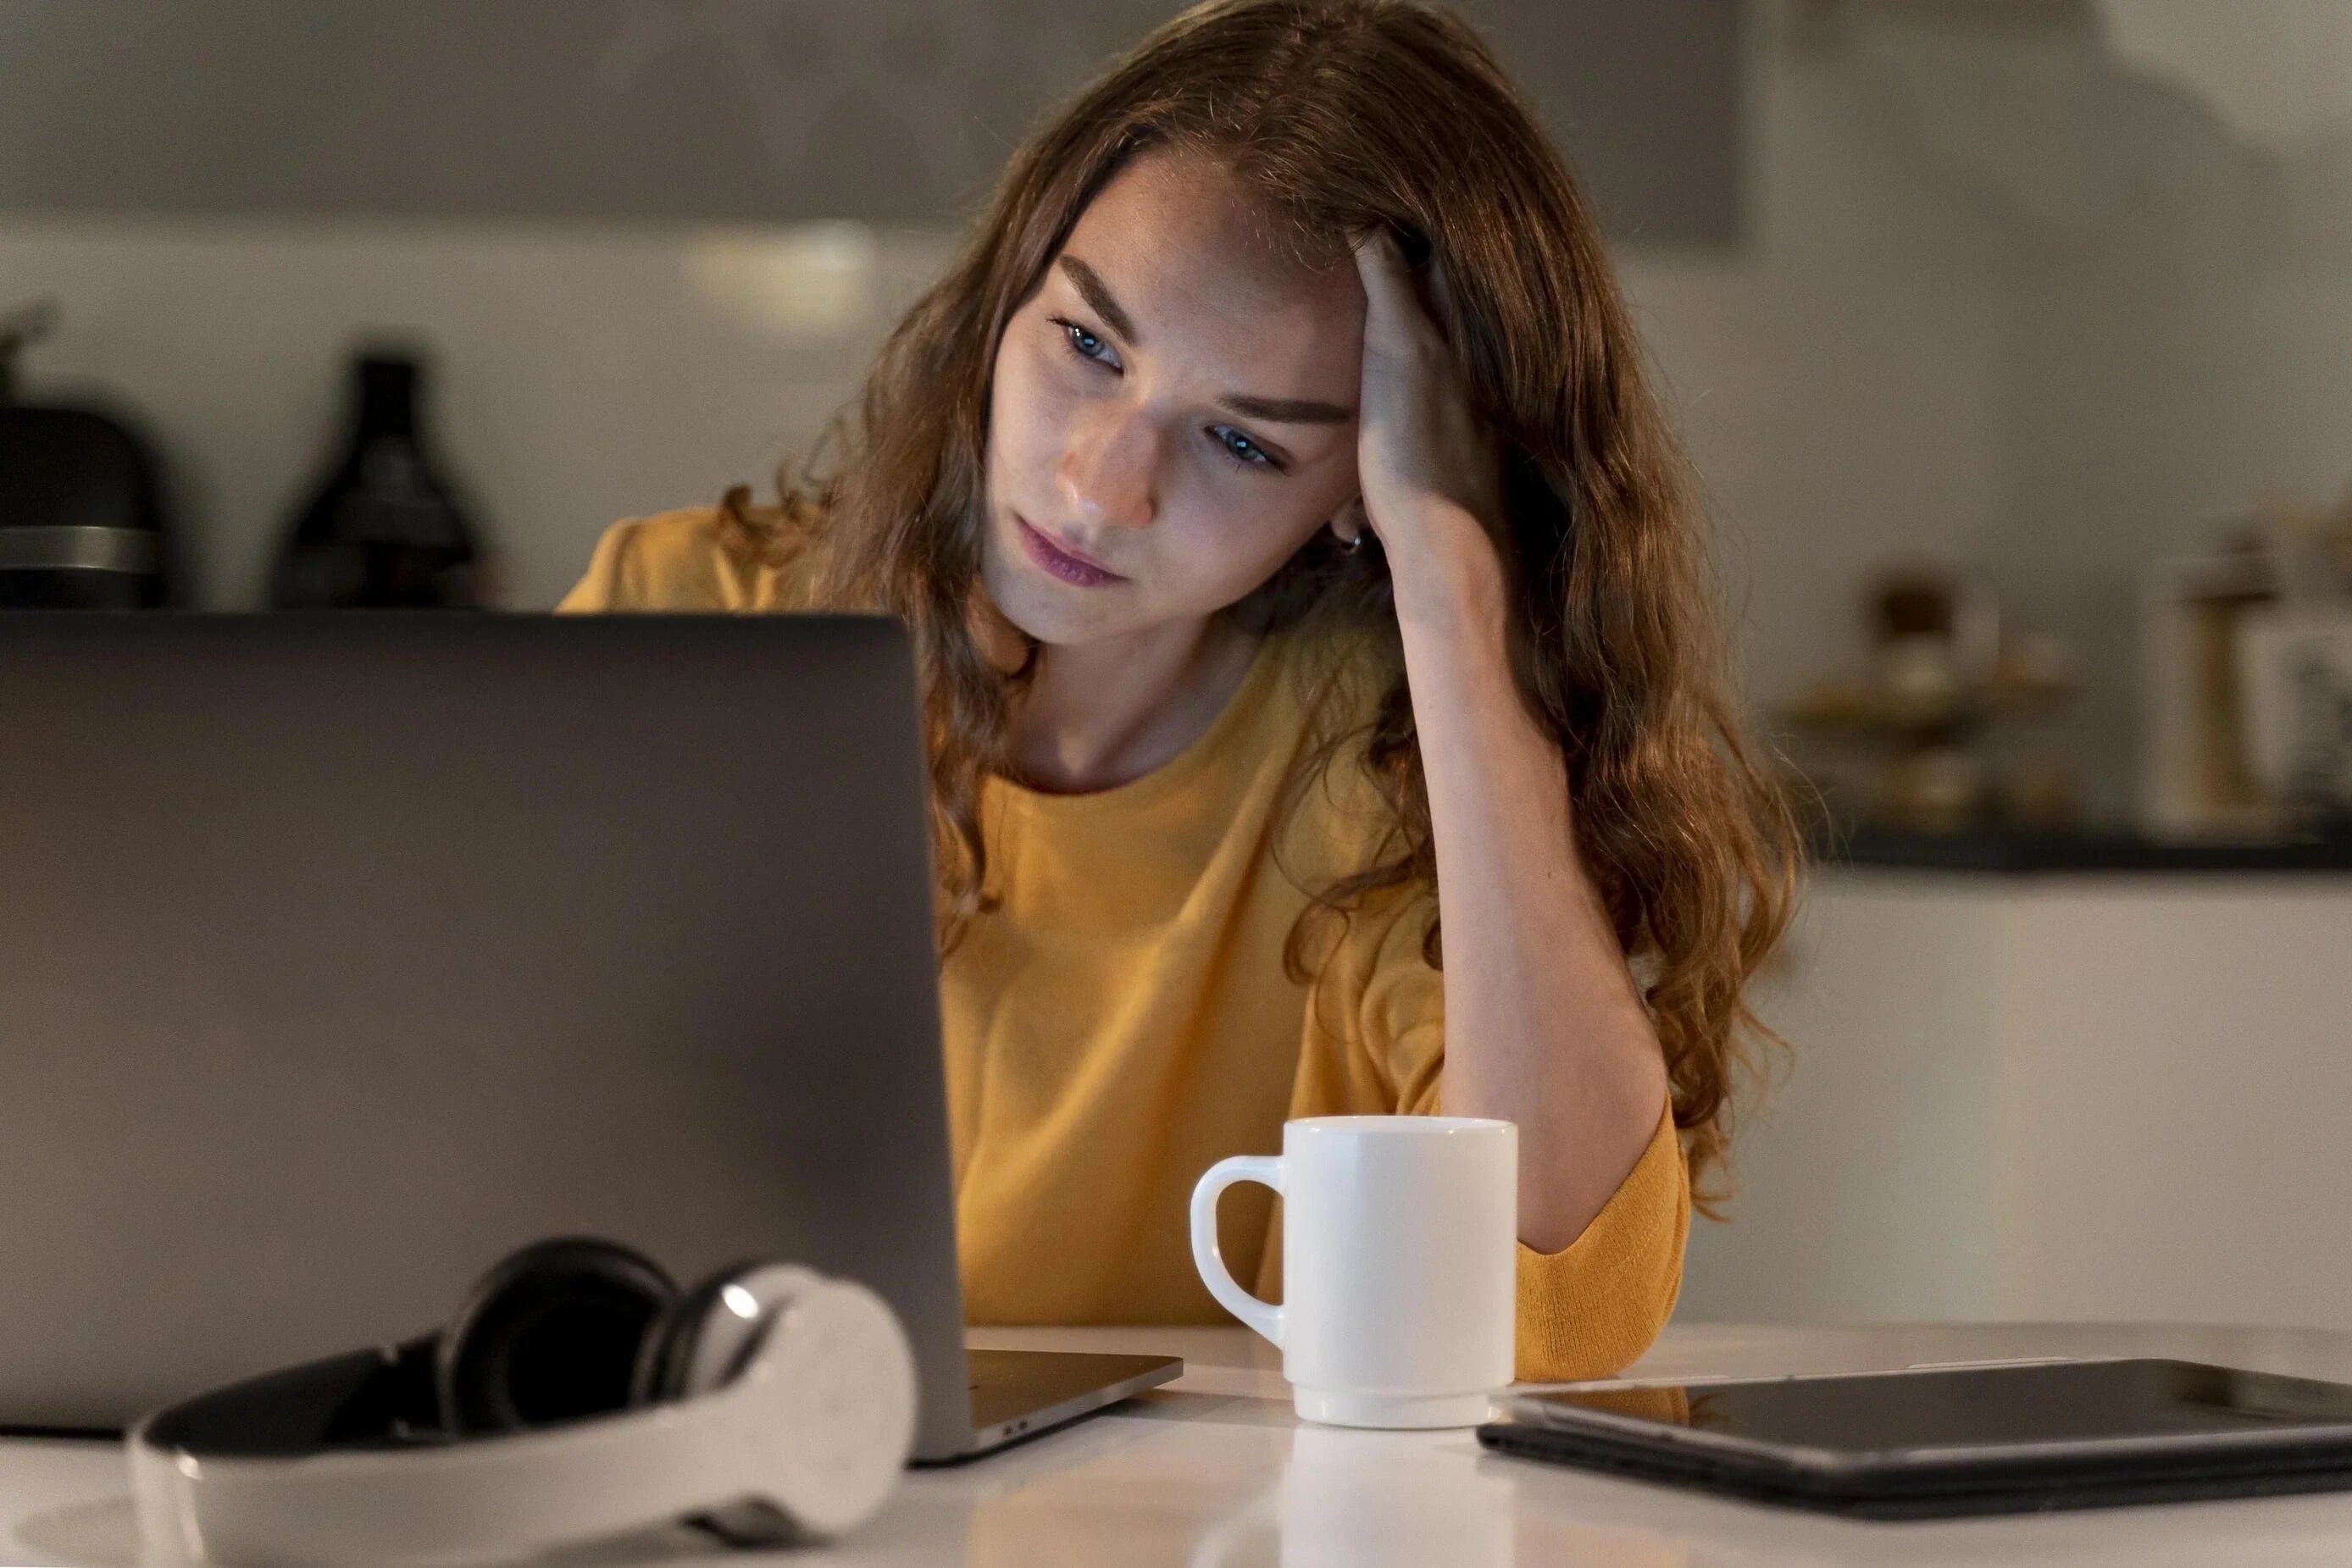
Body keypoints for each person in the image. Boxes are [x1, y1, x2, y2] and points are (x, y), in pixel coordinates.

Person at [561, 0, 1796, 1381]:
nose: (1099, 487)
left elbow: (1567, 1308)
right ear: (1004, 300)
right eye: (1086, 347)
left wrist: (1455, 581)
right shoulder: (684, 618)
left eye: (1242, 443)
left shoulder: (1379, 762)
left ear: (1359, 491)